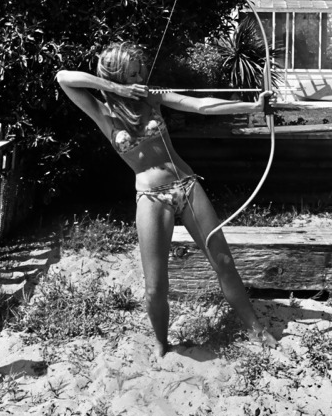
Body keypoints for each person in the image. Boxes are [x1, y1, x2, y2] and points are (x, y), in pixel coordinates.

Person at [56, 41, 276, 357]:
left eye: (142, 72)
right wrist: (113, 87)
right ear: (115, 75)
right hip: (150, 197)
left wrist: (252, 107)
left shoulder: (153, 99)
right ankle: (161, 343)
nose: (141, 78)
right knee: (155, 286)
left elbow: (200, 105)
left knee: (224, 263)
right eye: (133, 73)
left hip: (186, 186)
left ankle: (257, 329)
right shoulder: (103, 113)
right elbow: (64, 77)